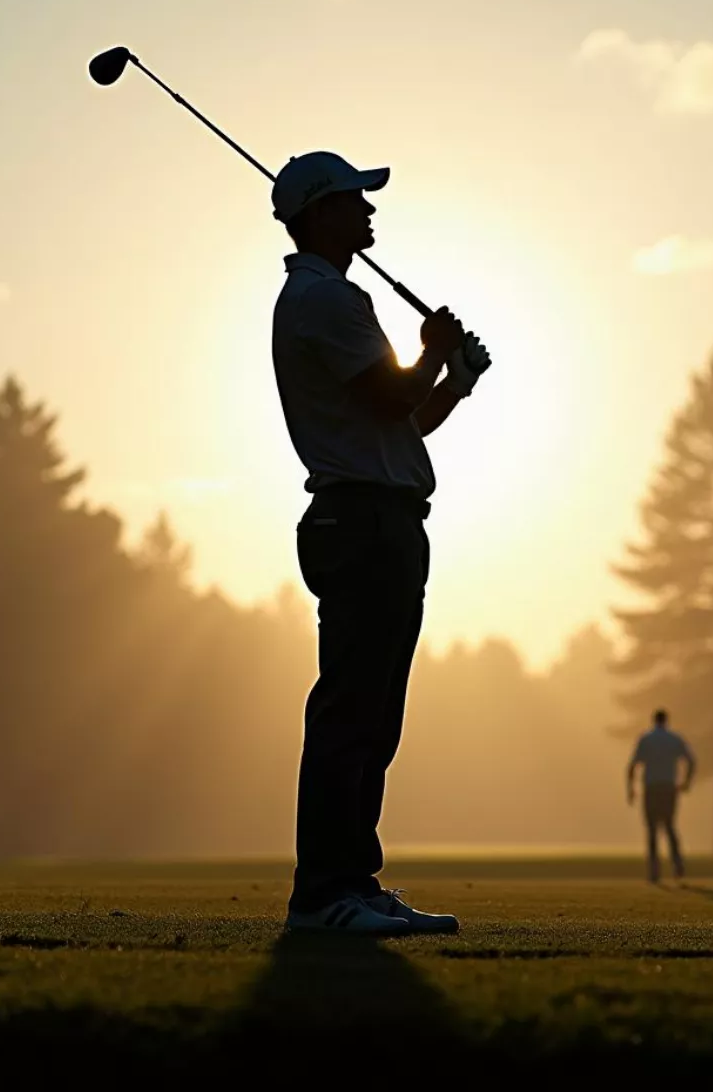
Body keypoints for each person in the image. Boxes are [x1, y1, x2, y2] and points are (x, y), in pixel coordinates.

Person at [269, 151, 490, 934]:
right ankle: (324, 895)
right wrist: (432, 349)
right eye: (355, 202)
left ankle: (353, 883)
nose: (369, 214)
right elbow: (394, 392)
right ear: (319, 212)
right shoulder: (324, 300)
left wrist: (454, 381)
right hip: (357, 524)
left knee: (375, 716)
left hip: (384, 520)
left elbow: (406, 420)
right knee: (350, 713)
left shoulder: (338, 299)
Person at [627, 709, 695, 883]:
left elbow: (633, 764)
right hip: (668, 787)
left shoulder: (646, 739)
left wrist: (631, 788)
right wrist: (686, 781)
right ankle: (677, 863)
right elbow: (691, 760)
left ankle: (654, 871)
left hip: (651, 787)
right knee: (669, 825)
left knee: (651, 828)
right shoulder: (674, 739)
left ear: (653, 720)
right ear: (667, 720)